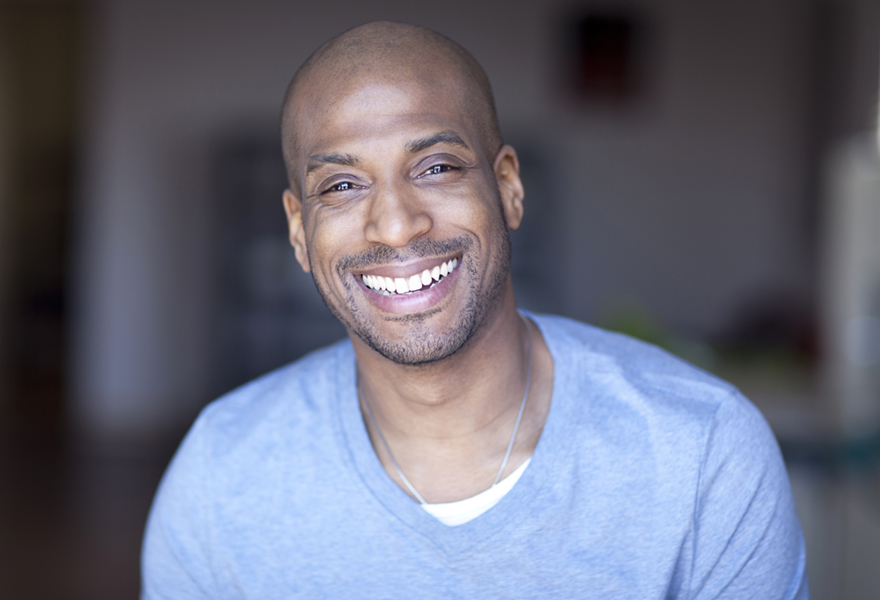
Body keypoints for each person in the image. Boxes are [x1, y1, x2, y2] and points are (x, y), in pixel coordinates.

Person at [141, 21, 808, 599]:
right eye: (342, 186)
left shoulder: (703, 451)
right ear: (297, 234)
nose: (396, 226)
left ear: (509, 188)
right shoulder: (221, 473)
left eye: (435, 167)